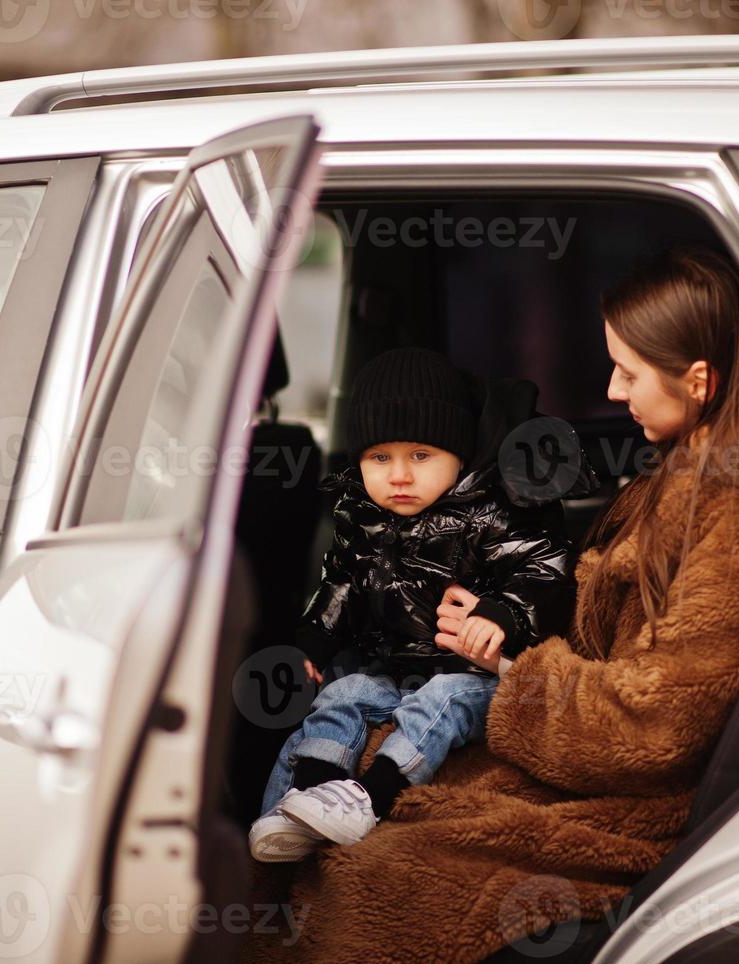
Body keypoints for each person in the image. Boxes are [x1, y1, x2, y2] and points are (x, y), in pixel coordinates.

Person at [239, 244, 739, 964]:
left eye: (627, 372)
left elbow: (658, 724)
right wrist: (497, 613)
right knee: (351, 762)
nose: (611, 392)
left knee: (375, 874)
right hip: (575, 747)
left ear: (699, 381)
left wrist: (510, 669)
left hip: (631, 799)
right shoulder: (689, 473)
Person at [248, 346, 598, 862]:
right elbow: (342, 584)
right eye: (379, 458)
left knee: (443, 700)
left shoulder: (493, 508)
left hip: (478, 676)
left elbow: (545, 570)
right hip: (394, 669)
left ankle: (373, 795)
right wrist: (313, 645)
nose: (399, 476)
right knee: (342, 694)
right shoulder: (361, 514)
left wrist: (500, 614)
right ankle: (306, 800)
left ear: (457, 455)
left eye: (421, 455)